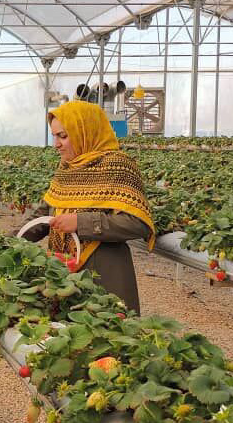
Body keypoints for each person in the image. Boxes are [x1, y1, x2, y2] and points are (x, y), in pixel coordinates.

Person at [17, 100, 155, 312]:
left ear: (85, 131)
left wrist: (81, 222)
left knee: (107, 336)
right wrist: (9, 242)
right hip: (63, 271)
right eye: (54, 136)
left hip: (105, 275)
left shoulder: (118, 166)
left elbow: (138, 223)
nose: (57, 144)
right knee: (65, 336)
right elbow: (45, 212)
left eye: (63, 136)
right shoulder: (67, 167)